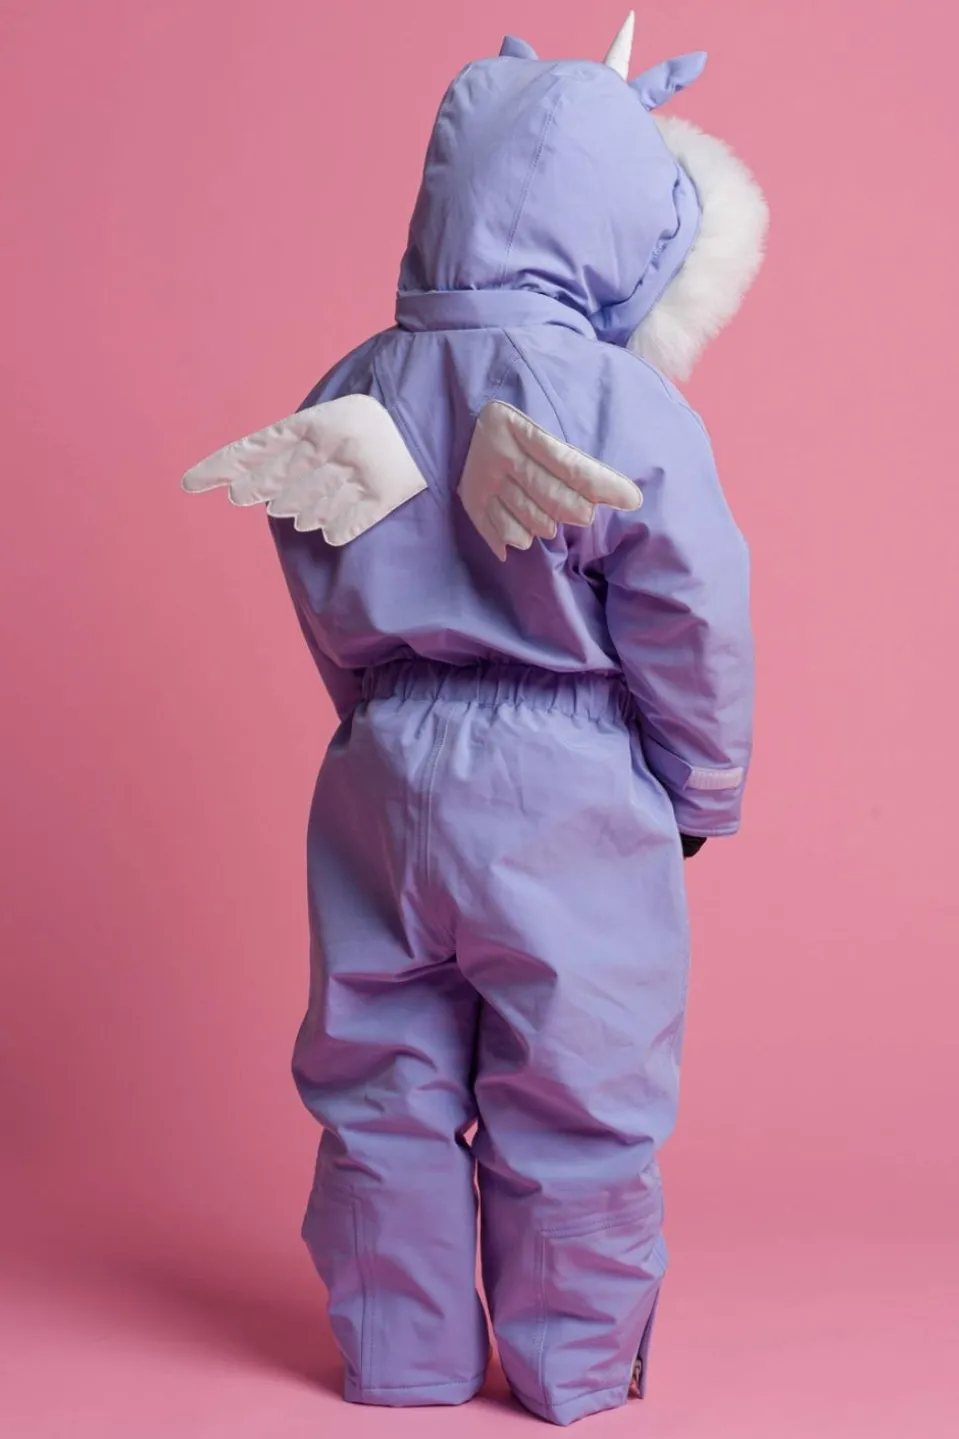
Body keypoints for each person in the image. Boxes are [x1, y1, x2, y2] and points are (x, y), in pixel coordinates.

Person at [183, 13, 768, 1426]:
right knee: (575, 1086)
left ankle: (401, 1358)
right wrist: (698, 788)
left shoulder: (351, 386)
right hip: (567, 780)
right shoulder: (618, 402)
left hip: (380, 770)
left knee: (378, 1074)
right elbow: (689, 608)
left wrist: (376, 718)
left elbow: (317, 575)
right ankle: (571, 1370)